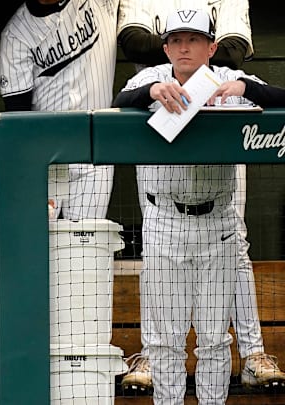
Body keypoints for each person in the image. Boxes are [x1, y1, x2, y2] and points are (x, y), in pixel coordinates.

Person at [112, 9, 285, 404]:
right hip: (164, 221)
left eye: (193, 39)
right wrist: (152, 93)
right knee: (164, 342)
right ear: (166, 47)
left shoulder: (227, 80)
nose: (184, 47)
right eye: (176, 40)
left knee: (212, 339)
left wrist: (247, 88)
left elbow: (281, 98)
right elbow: (120, 99)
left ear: (212, 46)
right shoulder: (149, 78)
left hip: (218, 223)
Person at [0, 0, 120, 392]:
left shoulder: (99, 3)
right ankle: (2, 353)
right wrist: (28, 183)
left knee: (83, 261)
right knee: (29, 260)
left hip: (95, 159)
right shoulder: (17, 34)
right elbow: (19, 116)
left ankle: (81, 359)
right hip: (47, 163)